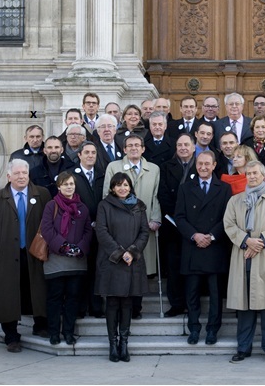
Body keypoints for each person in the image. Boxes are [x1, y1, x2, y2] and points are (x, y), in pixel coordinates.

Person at [0, 159, 52, 353]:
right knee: (8, 295)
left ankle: (41, 325)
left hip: (34, 254)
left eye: (25, 173)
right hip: (7, 256)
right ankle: (11, 335)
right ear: (9, 176)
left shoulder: (42, 194)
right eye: (17, 173)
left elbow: (49, 223)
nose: (21, 177)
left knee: (37, 289)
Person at [224, 160, 265, 363]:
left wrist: (259, 242)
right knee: (244, 307)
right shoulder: (236, 200)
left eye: (255, 173)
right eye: (249, 173)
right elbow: (229, 225)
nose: (251, 176)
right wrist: (246, 241)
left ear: (263, 175)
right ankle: (243, 348)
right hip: (243, 256)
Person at [174, 151, 232, 345]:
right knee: (192, 293)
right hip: (193, 247)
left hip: (215, 247)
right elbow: (179, 217)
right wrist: (195, 235)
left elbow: (227, 218)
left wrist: (211, 236)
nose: (203, 167)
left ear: (214, 165)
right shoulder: (185, 188)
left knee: (215, 294)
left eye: (207, 164)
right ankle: (194, 328)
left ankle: (213, 330)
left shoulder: (224, 188)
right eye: (200, 164)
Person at [104, 134, 162, 318]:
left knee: (139, 266)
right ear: (124, 149)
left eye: (138, 145)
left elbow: (156, 195)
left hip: (143, 225)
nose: (134, 148)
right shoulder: (114, 167)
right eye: (130, 145)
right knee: (121, 263)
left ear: (143, 149)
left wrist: (155, 218)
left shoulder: (153, 169)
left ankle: (136, 308)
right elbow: (107, 193)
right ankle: (121, 307)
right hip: (119, 226)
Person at [95, 172, 150, 363]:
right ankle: (113, 344)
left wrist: (132, 252)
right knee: (111, 303)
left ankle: (124, 344)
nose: (122, 188)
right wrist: (120, 253)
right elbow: (101, 231)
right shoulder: (104, 205)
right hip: (112, 261)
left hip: (132, 261)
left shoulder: (139, 205)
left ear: (130, 187)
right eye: (118, 185)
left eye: (125, 185)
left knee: (127, 303)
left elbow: (144, 231)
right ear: (112, 187)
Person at [41, 172, 92, 346]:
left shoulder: (82, 208)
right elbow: (46, 230)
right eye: (65, 184)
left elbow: (88, 231)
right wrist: (64, 247)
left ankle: (68, 332)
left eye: (71, 184)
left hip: (77, 261)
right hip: (56, 260)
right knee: (55, 298)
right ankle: (54, 333)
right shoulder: (51, 206)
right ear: (59, 187)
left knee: (73, 297)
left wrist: (80, 248)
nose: (69, 187)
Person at [158, 133, 198, 317]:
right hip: (173, 226)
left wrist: (190, 222)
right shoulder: (167, 167)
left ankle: (192, 304)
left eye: (186, 144)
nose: (183, 148)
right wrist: (178, 219)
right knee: (173, 267)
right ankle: (176, 303)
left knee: (192, 268)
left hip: (196, 226)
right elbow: (163, 195)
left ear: (194, 146)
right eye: (180, 144)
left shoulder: (201, 166)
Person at [71, 141, 106, 318]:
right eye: (87, 152)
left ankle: (96, 306)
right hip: (79, 231)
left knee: (96, 269)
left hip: (99, 230)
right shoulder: (72, 176)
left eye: (93, 152)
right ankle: (79, 307)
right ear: (79, 155)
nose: (91, 155)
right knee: (80, 270)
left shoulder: (102, 174)